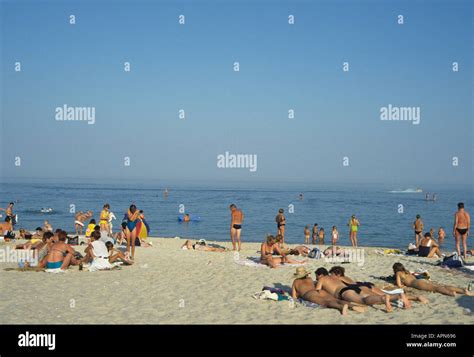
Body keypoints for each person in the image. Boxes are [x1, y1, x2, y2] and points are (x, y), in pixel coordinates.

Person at [329, 265, 429, 305]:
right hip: (366, 284)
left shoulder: (338, 279)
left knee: (378, 298)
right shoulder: (347, 277)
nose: (331, 276)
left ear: (336, 274)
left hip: (358, 287)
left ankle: (403, 297)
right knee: (384, 294)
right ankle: (415, 298)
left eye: (331, 274)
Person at [315, 267, 397, 312]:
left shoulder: (322, 279)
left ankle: (382, 298)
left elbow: (318, 290)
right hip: (351, 288)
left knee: (363, 300)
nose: (316, 278)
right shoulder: (335, 277)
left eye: (316, 276)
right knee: (366, 296)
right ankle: (394, 297)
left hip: (344, 292)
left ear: (320, 275)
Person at [291, 267, 367, 315]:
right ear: (306, 274)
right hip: (319, 291)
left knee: (326, 302)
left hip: (309, 294)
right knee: (334, 299)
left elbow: (294, 296)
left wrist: (299, 295)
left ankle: (341, 307)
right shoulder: (310, 279)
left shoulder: (295, 282)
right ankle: (353, 306)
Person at [393, 263, 474, 297]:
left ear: (396, 269)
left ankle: (451, 293)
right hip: (420, 280)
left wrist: (403, 285)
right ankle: (462, 290)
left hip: (417, 283)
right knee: (441, 286)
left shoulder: (398, 273)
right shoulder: (406, 272)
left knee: (435, 289)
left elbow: (399, 285)